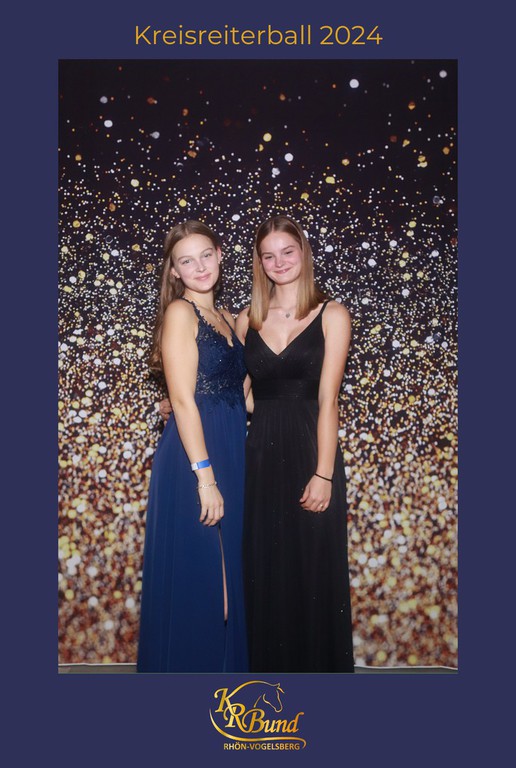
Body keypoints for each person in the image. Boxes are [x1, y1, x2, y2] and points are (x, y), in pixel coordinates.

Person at [235, 214, 354, 673]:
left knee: (313, 569)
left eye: (287, 251)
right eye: (269, 256)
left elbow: (328, 400)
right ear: (259, 263)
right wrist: (183, 400)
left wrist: (323, 473)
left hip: (311, 453)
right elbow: (241, 396)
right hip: (259, 458)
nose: (279, 262)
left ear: (303, 252)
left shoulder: (332, 314)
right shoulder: (248, 318)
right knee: (264, 567)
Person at [137, 220, 248, 673]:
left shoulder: (229, 317)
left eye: (206, 255)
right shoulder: (181, 314)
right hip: (195, 459)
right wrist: (205, 478)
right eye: (187, 261)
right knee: (206, 584)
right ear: (175, 271)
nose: (199, 267)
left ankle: (224, 689)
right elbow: (182, 399)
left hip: (231, 450)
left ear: (220, 255)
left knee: (229, 582)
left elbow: (240, 394)